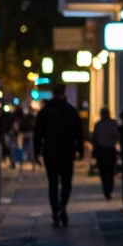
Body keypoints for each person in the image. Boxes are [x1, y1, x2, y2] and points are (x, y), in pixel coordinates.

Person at [34, 83, 84, 227]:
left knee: (53, 183)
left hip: (50, 151)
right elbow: (78, 133)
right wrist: (80, 150)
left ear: (52, 93)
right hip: (67, 151)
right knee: (67, 182)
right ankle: (63, 205)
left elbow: (38, 133)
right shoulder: (71, 111)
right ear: (64, 92)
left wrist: (37, 152)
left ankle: (55, 211)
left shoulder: (45, 112)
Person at [92, 107, 119, 200]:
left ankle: (106, 189)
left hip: (102, 150)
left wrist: (94, 152)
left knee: (103, 172)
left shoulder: (98, 124)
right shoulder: (113, 124)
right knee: (110, 171)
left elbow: (95, 138)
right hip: (110, 149)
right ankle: (109, 189)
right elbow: (117, 136)